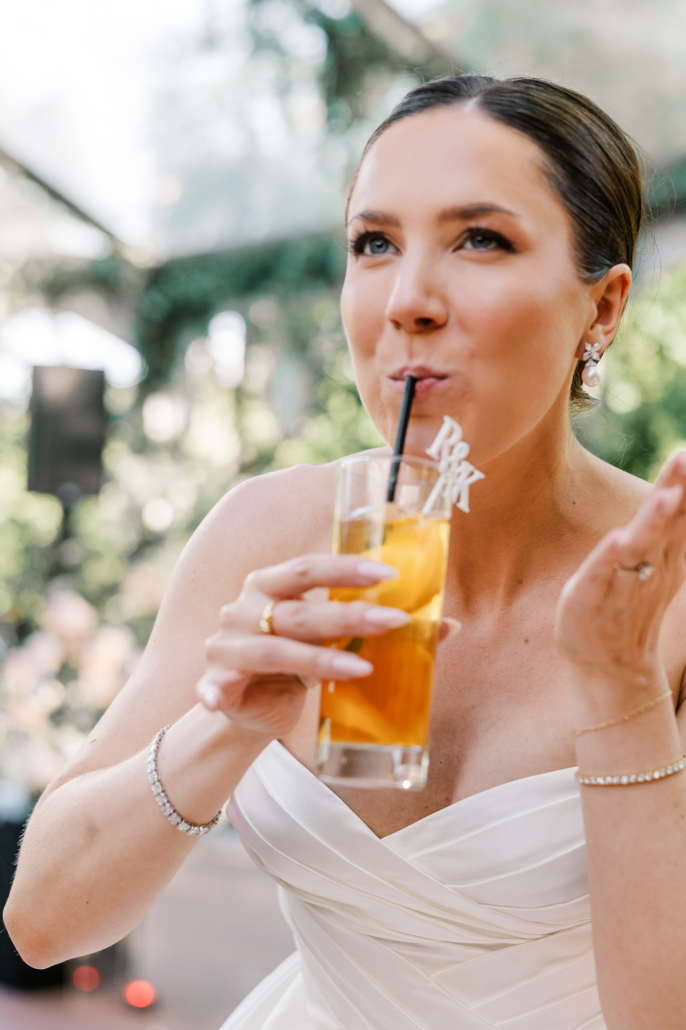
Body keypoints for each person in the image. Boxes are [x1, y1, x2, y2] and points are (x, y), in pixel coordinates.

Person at [5, 73, 686, 1030]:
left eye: (480, 239)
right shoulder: (268, 533)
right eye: (375, 243)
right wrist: (225, 726)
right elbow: (40, 924)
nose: (408, 300)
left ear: (603, 308)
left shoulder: (667, 585)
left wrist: (622, 691)